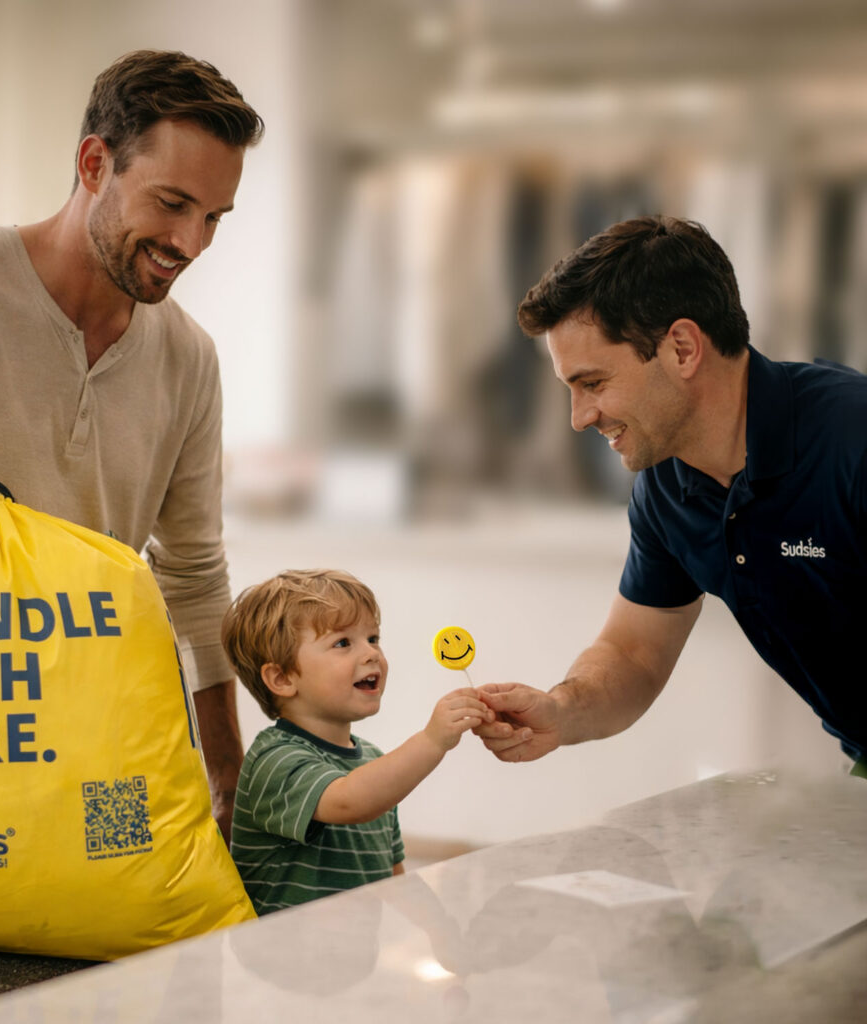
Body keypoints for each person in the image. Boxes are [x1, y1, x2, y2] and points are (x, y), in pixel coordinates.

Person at [0, 49, 264, 937]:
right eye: (172, 204)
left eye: (216, 216)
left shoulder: (188, 360)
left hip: (97, 759)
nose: (192, 245)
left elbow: (192, 578)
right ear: (93, 164)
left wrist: (228, 776)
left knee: (139, 956)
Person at [475, 215, 867, 777]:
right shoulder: (666, 488)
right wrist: (559, 711)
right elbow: (633, 654)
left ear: (682, 348)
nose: (580, 418)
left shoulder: (853, 442)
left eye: (593, 383)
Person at [221, 569, 491, 915]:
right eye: (343, 643)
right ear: (282, 677)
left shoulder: (373, 765)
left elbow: (392, 876)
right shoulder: (274, 759)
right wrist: (432, 740)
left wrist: (441, 933)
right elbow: (350, 801)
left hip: (353, 960)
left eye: (373, 638)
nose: (371, 654)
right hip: (280, 963)